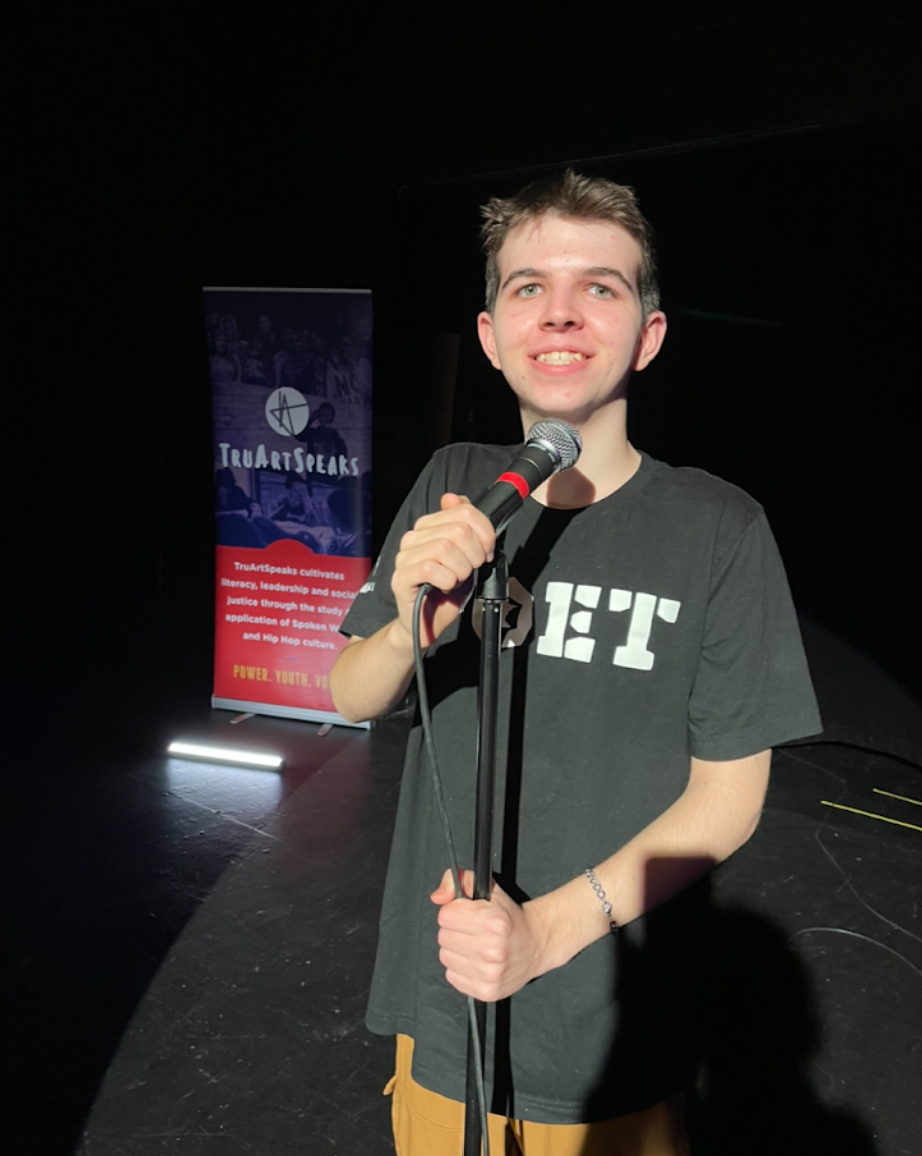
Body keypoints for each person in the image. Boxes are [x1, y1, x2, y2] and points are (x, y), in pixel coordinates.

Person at [331, 171, 821, 1155]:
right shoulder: (453, 483)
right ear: (488, 335)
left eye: (598, 286)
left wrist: (542, 936)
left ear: (647, 334)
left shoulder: (717, 527)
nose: (558, 310)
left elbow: (727, 802)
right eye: (526, 287)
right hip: (447, 1014)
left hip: (612, 1035)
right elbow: (350, 692)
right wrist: (405, 631)